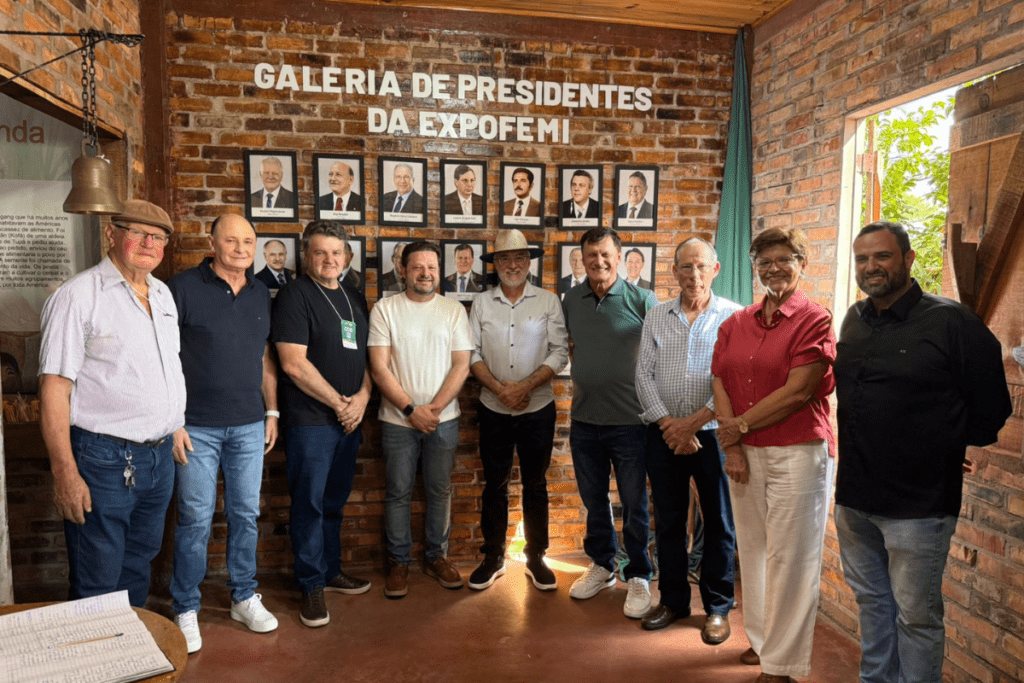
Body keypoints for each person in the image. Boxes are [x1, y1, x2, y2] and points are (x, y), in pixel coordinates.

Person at [833, 222, 1012, 683]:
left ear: (908, 260)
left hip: (917, 506)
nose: (871, 266)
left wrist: (947, 444)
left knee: (916, 618)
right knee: (873, 606)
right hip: (854, 499)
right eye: (862, 258)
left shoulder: (952, 322)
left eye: (883, 256)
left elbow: (993, 405)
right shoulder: (854, 318)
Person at [38, 199, 187, 608]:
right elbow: (54, 389)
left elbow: (161, 366)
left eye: (157, 237)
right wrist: (65, 471)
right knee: (98, 580)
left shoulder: (162, 295)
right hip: (103, 460)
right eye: (137, 232)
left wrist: (173, 421)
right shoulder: (78, 297)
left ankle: (129, 660)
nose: (148, 242)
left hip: (158, 459)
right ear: (112, 233)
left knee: (137, 566)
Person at [711, 227, 836, 683]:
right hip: (746, 453)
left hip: (798, 451)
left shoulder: (814, 318)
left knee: (792, 557)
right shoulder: (736, 322)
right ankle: (763, 643)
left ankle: (783, 665)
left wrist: (739, 426)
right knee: (755, 550)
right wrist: (734, 445)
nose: (773, 269)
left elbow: (798, 392)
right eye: (764, 262)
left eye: (784, 259)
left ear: (802, 262)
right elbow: (720, 380)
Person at [166, 213, 280, 652]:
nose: (240, 248)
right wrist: (173, 419)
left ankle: (243, 596)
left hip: (250, 424)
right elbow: (164, 356)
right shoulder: (183, 288)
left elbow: (266, 358)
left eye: (248, 241)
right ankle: (186, 606)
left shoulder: (260, 294)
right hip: (195, 427)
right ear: (211, 242)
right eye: (230, 240)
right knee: (195, 518)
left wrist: (271, 411)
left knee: (245, 514)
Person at [636, 238, 740, 643]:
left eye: (701, 267)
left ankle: (717, 608)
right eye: (685, 267)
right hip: (663, 434)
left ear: (714, 269)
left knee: (719, 522)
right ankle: (674, 600)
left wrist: (692, 425)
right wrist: (669, 425)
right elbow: (643, 375)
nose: (693, 275)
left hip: (713, 436)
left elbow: (732, 382)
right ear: (674, 271)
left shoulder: (734, 317)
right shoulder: (657, 316)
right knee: (668, 521)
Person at [272, 220, 373, 628]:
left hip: (349, 420)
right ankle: (310, 584)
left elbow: (366, 358)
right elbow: (292, 363)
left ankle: (331, 570)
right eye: (320, 252)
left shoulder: (354, 297)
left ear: (346, 257)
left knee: (334, 501)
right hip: (311, 421)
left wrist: (363, 398)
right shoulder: (294, 296)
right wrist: (338, 403)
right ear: (307, 256)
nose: (329, 259)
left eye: (336, 253)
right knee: (309, 504)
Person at [561, 227, 659, 618]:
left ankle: (638, 573)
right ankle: (602, 565)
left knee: (635, 503)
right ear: (581, 260)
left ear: (619, 258)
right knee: (593, 500)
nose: (598, 262)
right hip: (585, 421)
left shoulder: (642, 299)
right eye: (590, 256)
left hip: (631, 423)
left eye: (605, 255)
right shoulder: (571, 299)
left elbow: (661, 352)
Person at [368, 240, 473, 598]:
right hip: (398, 421)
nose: (425, 273)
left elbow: (462, 365)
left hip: (444, 420)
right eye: (417, 267)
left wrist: (434, 410)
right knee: (397, 492)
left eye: (431, 267)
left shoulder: (454, 310)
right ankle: (399, 563)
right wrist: (413, 410)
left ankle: (436, 557)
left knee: (439, 491)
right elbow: (379, 367)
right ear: (403, 270)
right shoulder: (385, 309)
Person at [466, 230, 568, 591]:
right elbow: (472, 353)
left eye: (520, 258)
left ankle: (536, 556)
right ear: (495, 265)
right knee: (494, 484)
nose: (513, 265)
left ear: (529, 262)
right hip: (493, 408)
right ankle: (492, 555)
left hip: (537, 407)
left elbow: (559, 352)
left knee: (535, 484)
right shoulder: (481, 303)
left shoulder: (548, 302)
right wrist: (500, 390)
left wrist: (523, 387)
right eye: (505, 258)